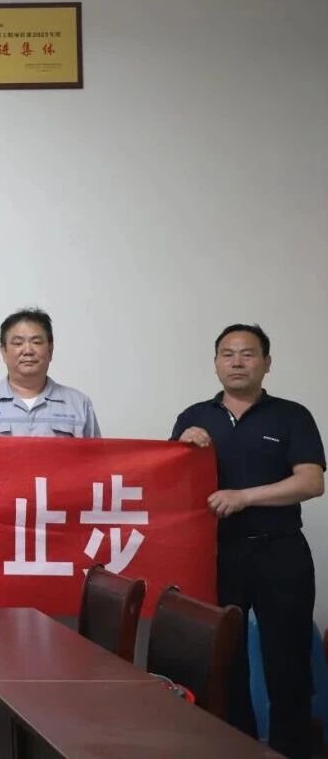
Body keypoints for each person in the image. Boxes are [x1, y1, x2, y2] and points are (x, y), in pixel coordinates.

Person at [172, 323, 324, 758]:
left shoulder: (292, 415)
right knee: (225, 660)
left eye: (248, 353)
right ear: (216, 363)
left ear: (266, 363)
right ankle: (237, 748)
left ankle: (291, 749)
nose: (237, 362)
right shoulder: (194, 417)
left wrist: (244, 497)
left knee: (288, 661)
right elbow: (170, 484)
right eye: (228, 354)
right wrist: (182, 447)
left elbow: (311, 481)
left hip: (280, 551)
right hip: (218, 554)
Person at [0, 307, 100, 437]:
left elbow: (96, 458)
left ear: (50, 350)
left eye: (36, 342)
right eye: (18, 343)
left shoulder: (80, 405)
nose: (28, 351)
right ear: (4, 352)